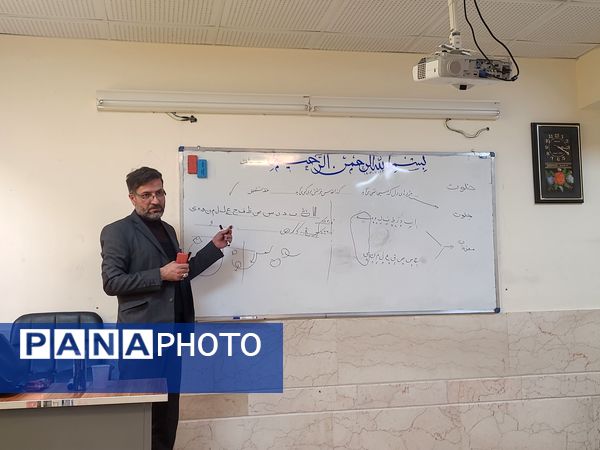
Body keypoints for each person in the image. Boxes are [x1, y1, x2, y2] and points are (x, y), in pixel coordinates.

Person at [100, 166, 232, 450]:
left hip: (172, 337)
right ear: (132, 198)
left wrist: (213, 247)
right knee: (140, 414)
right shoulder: (117, 231)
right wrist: (160, 274)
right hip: (140, 340)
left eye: (159, 193)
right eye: (146, 195)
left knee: (167, 414)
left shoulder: (167, 230)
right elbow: (112, 282)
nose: (155, 200)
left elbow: (179, 275)